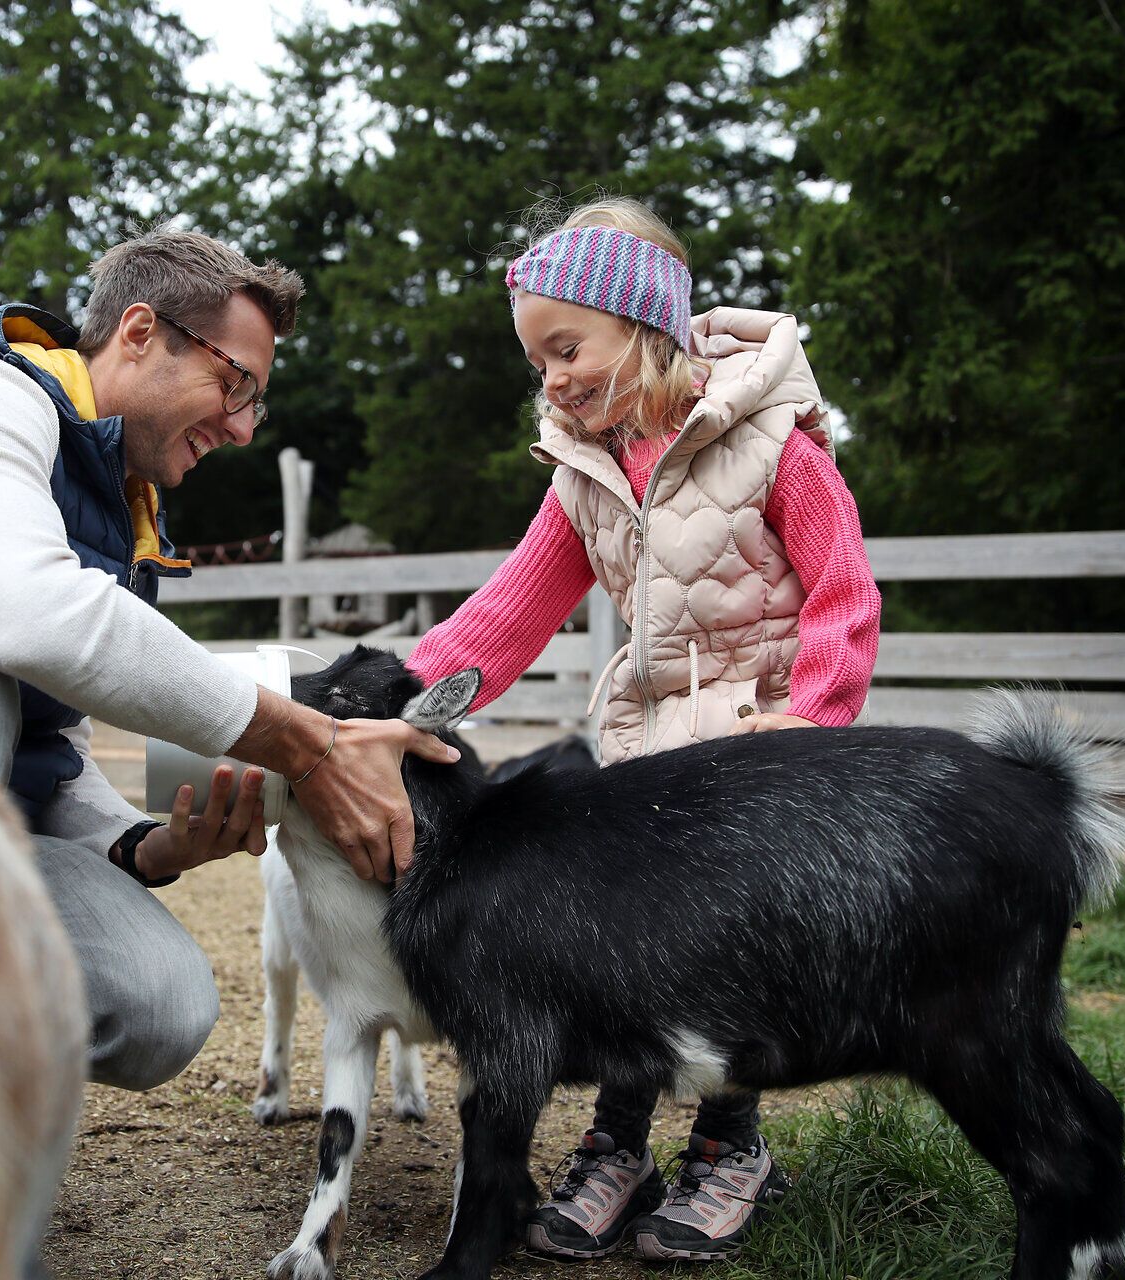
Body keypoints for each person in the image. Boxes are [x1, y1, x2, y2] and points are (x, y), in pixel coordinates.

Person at [0, 227, 457, 1093]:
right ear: (136, 331)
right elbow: (31, 620)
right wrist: (300, 741)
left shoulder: (124, 511)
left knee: (162, 1004)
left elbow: (56, 752)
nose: (241, 427)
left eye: (256, 403)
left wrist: (147, 845)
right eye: (233, 382)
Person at [407, 196, 882, 1263]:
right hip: (651, 750)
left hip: (766, 752)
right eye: (536, 361)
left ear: (641, 321)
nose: (552, 378)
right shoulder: (587, 472)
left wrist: (809, 724)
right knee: (618, 946)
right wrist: (402, 696)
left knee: (733, 959)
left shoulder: (772, 442)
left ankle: (730, 1144)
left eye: (565, 346)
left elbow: (843, 593)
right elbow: (506, 614)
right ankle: (618, 1145)